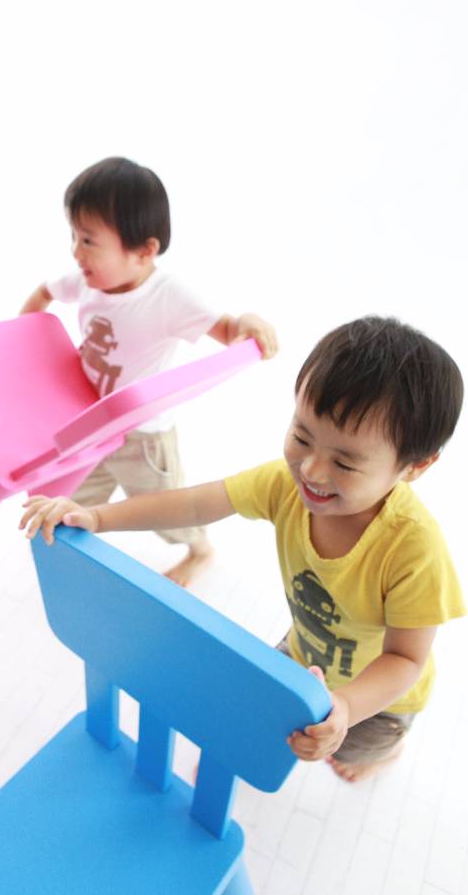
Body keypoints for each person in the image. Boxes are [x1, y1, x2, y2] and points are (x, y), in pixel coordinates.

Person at [19, 316, 465, 782]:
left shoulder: (415, 550)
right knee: (270, 724)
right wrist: (97, 517)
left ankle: (382, 755)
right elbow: (195, 503)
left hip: (380, 703)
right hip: (305, 655)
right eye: (302, 437)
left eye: (345, 463)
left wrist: (347, 707)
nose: (311, 471)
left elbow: (406, 659)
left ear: (415, 466)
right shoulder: (284, 484)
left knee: (347, 753)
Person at [19, 156, 278, 587]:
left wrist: (248, 321)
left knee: (166, 511)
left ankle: (199, 549)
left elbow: (228, 330)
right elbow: (45, 291)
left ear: (144, 251)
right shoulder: (88, 279)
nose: (76, 252)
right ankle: (69, 561)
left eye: (88, 240)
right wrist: (21, 336)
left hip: (143, 439)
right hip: (91, 425)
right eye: (74, 236)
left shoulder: (168, 296)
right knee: (71, 498)